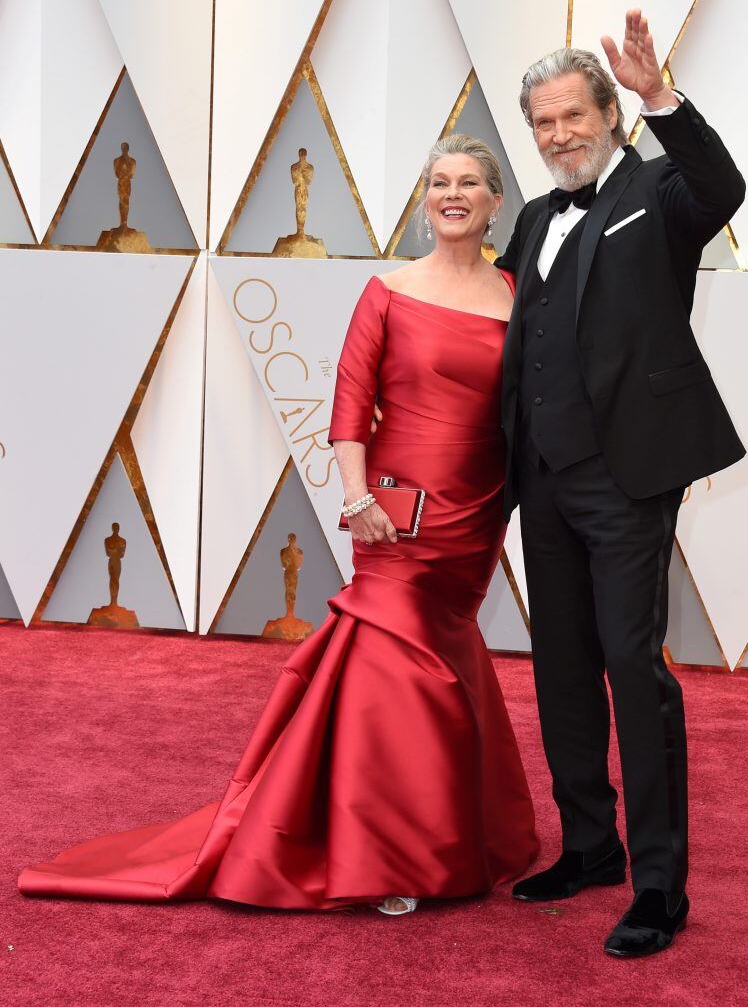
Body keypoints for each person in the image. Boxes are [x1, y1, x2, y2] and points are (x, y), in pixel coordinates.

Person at [19, 134, 538, 916]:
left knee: (447, 657)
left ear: (497, 201)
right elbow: (348, 410)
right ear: (425, 200)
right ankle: (385, 853)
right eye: (439, 183)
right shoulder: (388, 290)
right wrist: (357, 498)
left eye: (469, 183)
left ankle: (441, 835)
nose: (452, 195)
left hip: (477, 514)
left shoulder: (517, 295)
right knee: (395, 669)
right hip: (397, 507)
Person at [495, 9, 745, 957]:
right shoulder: (529, 218)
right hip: (544, 480)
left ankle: (660, 884)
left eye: (573, 115)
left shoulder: (660, 193)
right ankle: (590, 847)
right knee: (561, 670)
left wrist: (661, 96)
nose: (559, 134)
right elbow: (515, 340)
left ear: (608, 113)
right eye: (543, 123)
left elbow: (724, 185)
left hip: (629, 479)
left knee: (633, 675)